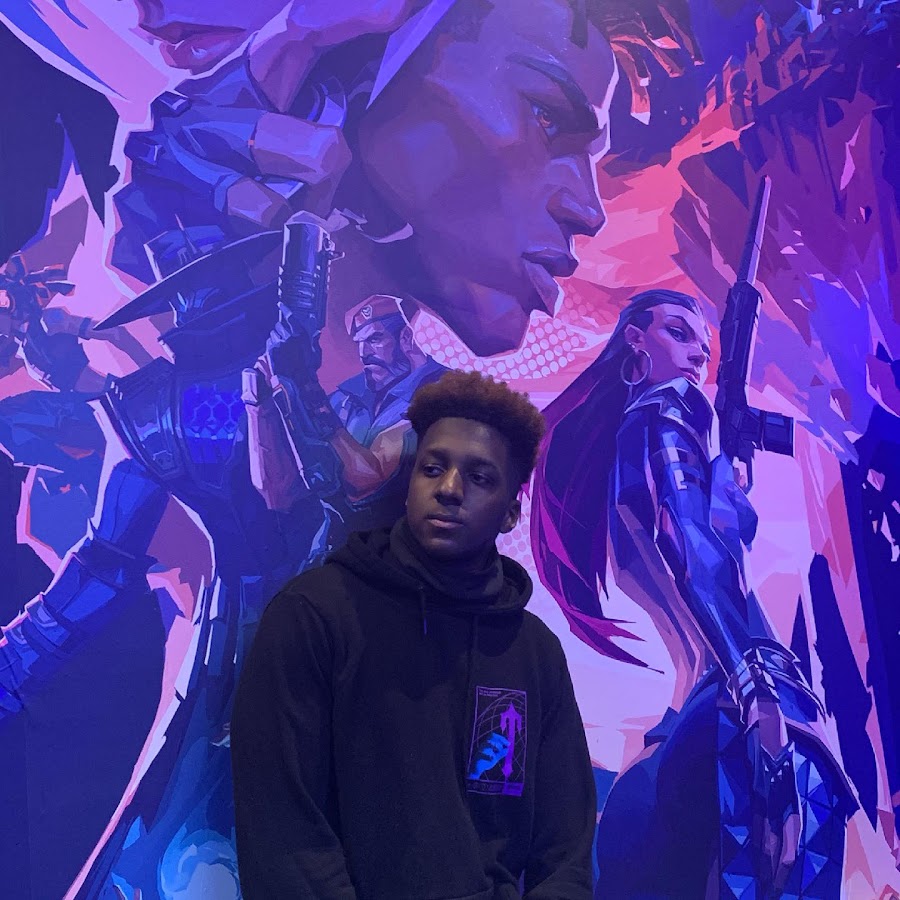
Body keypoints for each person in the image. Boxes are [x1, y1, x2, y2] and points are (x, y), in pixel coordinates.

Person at [530, 289, 854, 898]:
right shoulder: (667, 412)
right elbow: (694, 550)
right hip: (739, 693)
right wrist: (757, 687)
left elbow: (686, 544)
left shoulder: (642, 436)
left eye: (704, 344)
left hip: (688, 710)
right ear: (635, 339)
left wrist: (727, 476)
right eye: (678, 333)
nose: (699, 354)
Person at [231, 369, 597, 899]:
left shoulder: (532, 651)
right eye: (432, 468)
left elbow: (566, 847)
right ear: (409, 485)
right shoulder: (314, 614)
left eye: (479, 478)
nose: (448, 489)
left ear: (511, 512)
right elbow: (283, 832)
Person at [245, 293, 447, 544]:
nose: (363, 353)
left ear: (407, 337)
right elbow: (279, 493)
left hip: (405, 549)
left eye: (374, 339)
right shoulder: (346, 399)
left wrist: (304, 382)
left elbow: (366, 482)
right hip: (337, 550)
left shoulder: (442, 395)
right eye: (359, 342)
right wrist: (260, 402)